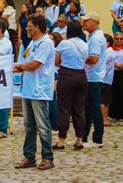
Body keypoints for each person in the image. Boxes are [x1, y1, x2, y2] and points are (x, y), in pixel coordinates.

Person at [13, 14, 55, 170]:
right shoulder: (33, 42)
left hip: (40, 89)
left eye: (29, 25)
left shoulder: (46, 43)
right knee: (29, 125)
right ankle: (29, 156)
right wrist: (21, 65)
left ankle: (47, 157)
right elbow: (26, 59)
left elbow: (35, 64)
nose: (26, 28)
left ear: (37, 27)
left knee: (43, 126)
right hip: (29, 89)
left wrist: (20, 66)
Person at [53, 21, 89, 150]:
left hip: (67, 76)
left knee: (64, 108)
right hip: (82, 76)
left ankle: (62, 140)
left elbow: (56, 61)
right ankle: (79, 139)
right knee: (79, 109)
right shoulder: (85, 44)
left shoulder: (64, 43)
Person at [81, 12, 106, 148]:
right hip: (91, 77)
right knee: (88, 108)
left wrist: (80, 58)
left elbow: (94, 59)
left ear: (94, 22)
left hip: (94, 77)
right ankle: (83, 137)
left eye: (86, 21)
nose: (84, 23)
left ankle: (97, 139)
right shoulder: (92, 36)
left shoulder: (96, 38)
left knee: (94, 108)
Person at [101, 34, 115, 126]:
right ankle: (104, 119)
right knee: (104, 100)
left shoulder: (108, 51)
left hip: (106, 78)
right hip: (105, 79)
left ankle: (104, 118)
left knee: (105, 100)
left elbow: (103, 65)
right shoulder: (108, 51)